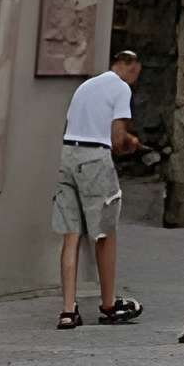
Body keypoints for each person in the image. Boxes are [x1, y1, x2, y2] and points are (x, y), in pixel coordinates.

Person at [53, 47, 143, 329]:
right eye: (136, 73)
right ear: (129, 66)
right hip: (95, 158)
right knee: (105, 232)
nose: (135, 79)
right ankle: (108, 304)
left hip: (68, 155)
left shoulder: (87, 86)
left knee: (71, 234)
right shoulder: (120, 88)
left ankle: (68, 310)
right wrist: (132, 143)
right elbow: (116, 138)